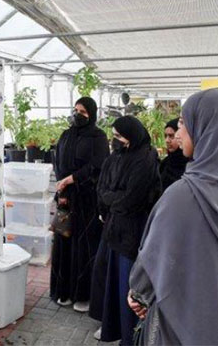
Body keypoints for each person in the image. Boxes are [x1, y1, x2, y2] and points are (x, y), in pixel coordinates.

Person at [128, 89, 218, 345]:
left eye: (184, 123)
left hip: (186, 327)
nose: (178, 133)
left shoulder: (183, 196)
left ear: (207, 128)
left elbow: (149, 269)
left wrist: (138, 294)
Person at [89, 116, 161, 345]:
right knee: (111, 281)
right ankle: (114, 328)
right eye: (114, 136)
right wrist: (111, 200)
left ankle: (132, 337)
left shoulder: (146, 158)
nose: (115, 140)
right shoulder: (116, 156)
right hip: (114, 229)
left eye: (119, 136)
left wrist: (111, 199)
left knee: (129, 286)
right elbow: (102, 188)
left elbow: (132, 198)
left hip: (133, 233)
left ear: (132, 136)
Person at [50, 96, 109, 312]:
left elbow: (99, 165)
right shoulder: (67, 134)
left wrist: (73, 179)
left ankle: (83, 295)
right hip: (66, 197)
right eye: (75, 110)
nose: (77, 114)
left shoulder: (98, 136)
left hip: (87, 199)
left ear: (92, 114)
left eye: (83, 112)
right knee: (64, 241)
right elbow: (58, 162)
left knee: (84, 245)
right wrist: (62, 188)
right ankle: (63, 291)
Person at [159, 118, 188, 191]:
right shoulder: (164, 164)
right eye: (165, 136)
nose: (167, 140)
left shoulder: (190, 165)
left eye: (171, 136)